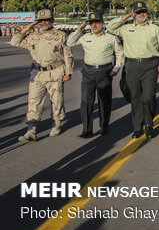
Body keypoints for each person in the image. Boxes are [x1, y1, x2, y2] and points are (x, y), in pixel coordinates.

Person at [107, 1, 159, 139]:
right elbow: (110, 27)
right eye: (138, 12)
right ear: (134, 14)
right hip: (132, 65)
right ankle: (137, 127)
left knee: (147, 97)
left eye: (144, 12)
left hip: (150, 65)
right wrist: (124, 17)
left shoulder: (155, 28)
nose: (142, 14)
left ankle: (149, 124)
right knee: (135, 97)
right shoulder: (126, 28)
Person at [10, 8, 74, 141]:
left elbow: (67, 55)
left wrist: (68, 72)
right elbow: (14, 41)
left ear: (52, 20)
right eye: (40, 21)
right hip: (37, 74)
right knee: (34, 102)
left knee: (57, 100)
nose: (43, 23)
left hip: (55, 72)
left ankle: (57, 123)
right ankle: (31, 130)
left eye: (46, 20)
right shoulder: (33, 36)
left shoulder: (61, 36)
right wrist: (29, 27)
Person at [67, 11, 124, 138]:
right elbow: (70, 42)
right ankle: (86, 130)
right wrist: (78, 30)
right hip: (88, 72)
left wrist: (116, 68)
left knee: (104, 101)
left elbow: (120, 53)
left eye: (97, 22)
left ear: (102, 23)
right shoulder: (85, 37)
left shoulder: (111, 37)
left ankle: (104, 127)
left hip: (105, 71)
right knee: (86, 102)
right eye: (91, 23)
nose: (94, 25)